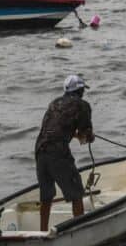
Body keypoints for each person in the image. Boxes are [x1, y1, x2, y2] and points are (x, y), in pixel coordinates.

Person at [34, 74, 95, 231]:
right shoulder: (82, 105)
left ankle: (42, 232)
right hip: (58, 152)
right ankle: (80, 230)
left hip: (40, 149)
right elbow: (85, 136)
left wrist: (74, 135)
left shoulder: (54, 103)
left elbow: (55, 129)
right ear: (80, 90)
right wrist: (89, 136)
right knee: (77, 193)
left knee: (46, 196)